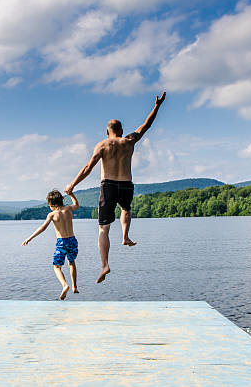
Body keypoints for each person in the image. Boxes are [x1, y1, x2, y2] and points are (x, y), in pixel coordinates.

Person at [65, 91, 166, 284]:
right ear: (121, 130)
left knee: (103, 229)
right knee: (126, 209)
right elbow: (147, 125)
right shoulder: (129, 140)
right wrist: (157, 106)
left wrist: (72, 185)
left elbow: (88, 167)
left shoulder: (103, 145)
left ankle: (105, 265)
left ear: (107, 131)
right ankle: (126, 236)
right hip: (126, 184)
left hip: (108, 185)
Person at [22, 189, 80, 300]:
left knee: (56, 267)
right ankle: (74, 286)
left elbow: (42, 228)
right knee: (71, 262)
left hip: (61, 242)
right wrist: (71, 194)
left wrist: (29, 238)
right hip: (72, 240)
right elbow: (76, 205)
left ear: (50, 204)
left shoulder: (52, 215)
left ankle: (65, 285)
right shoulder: (68, 209)